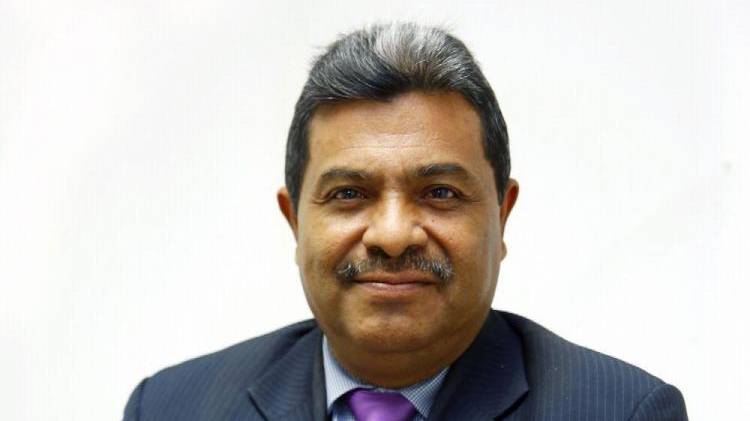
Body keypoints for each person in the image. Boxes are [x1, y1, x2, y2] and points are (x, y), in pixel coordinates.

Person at [123, 23, 688, 420]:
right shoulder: (172, 408)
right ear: (295, 221)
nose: (392, 236)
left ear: (502, 215)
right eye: (349, 194)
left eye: (439, 193)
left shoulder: (620, 411)